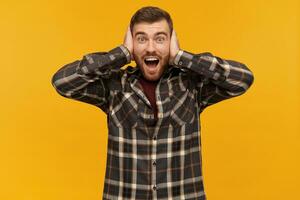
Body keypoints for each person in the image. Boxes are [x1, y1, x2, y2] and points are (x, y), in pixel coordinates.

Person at [51, 6, 254, 200]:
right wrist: (121, 53)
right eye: (141, 39)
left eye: (160, 39)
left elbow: (242, 79)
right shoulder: (114, 86)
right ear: (131, 43)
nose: (150, 48)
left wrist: (182, 57)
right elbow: (62, 82)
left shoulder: (192, 84)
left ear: (171, 42)